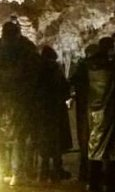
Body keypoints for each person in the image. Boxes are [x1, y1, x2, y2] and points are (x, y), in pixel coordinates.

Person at [81, 36, 115, 192]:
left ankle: (92, 181)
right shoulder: (114, 69)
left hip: (94, 111)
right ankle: (110, 182)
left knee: (94, 146)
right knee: (113, 147)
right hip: (111, 111)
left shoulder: (88, 66)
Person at [0, 19, 40, 186]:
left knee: (3, 137)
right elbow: (34, 71)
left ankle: (5, 171)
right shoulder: (25, 49)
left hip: (3, 98)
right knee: (19, 137)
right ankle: (17, 173)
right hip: (19, 99)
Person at [34, 46, 72, 182]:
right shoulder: (55, 70)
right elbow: (65, 88)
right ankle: (57, 169)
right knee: (56, 139)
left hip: (41, 109)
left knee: (44, 138)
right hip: (55, 108)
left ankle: (43, 171)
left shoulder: (36, 69)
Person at [71, 43, 98, 183]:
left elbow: (73, 81)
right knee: (94, 140)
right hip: (94, 108)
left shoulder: (82, 68)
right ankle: (92, 173)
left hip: (83, 108)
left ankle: (85, 172)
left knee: (85, 140)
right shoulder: (97, 68)